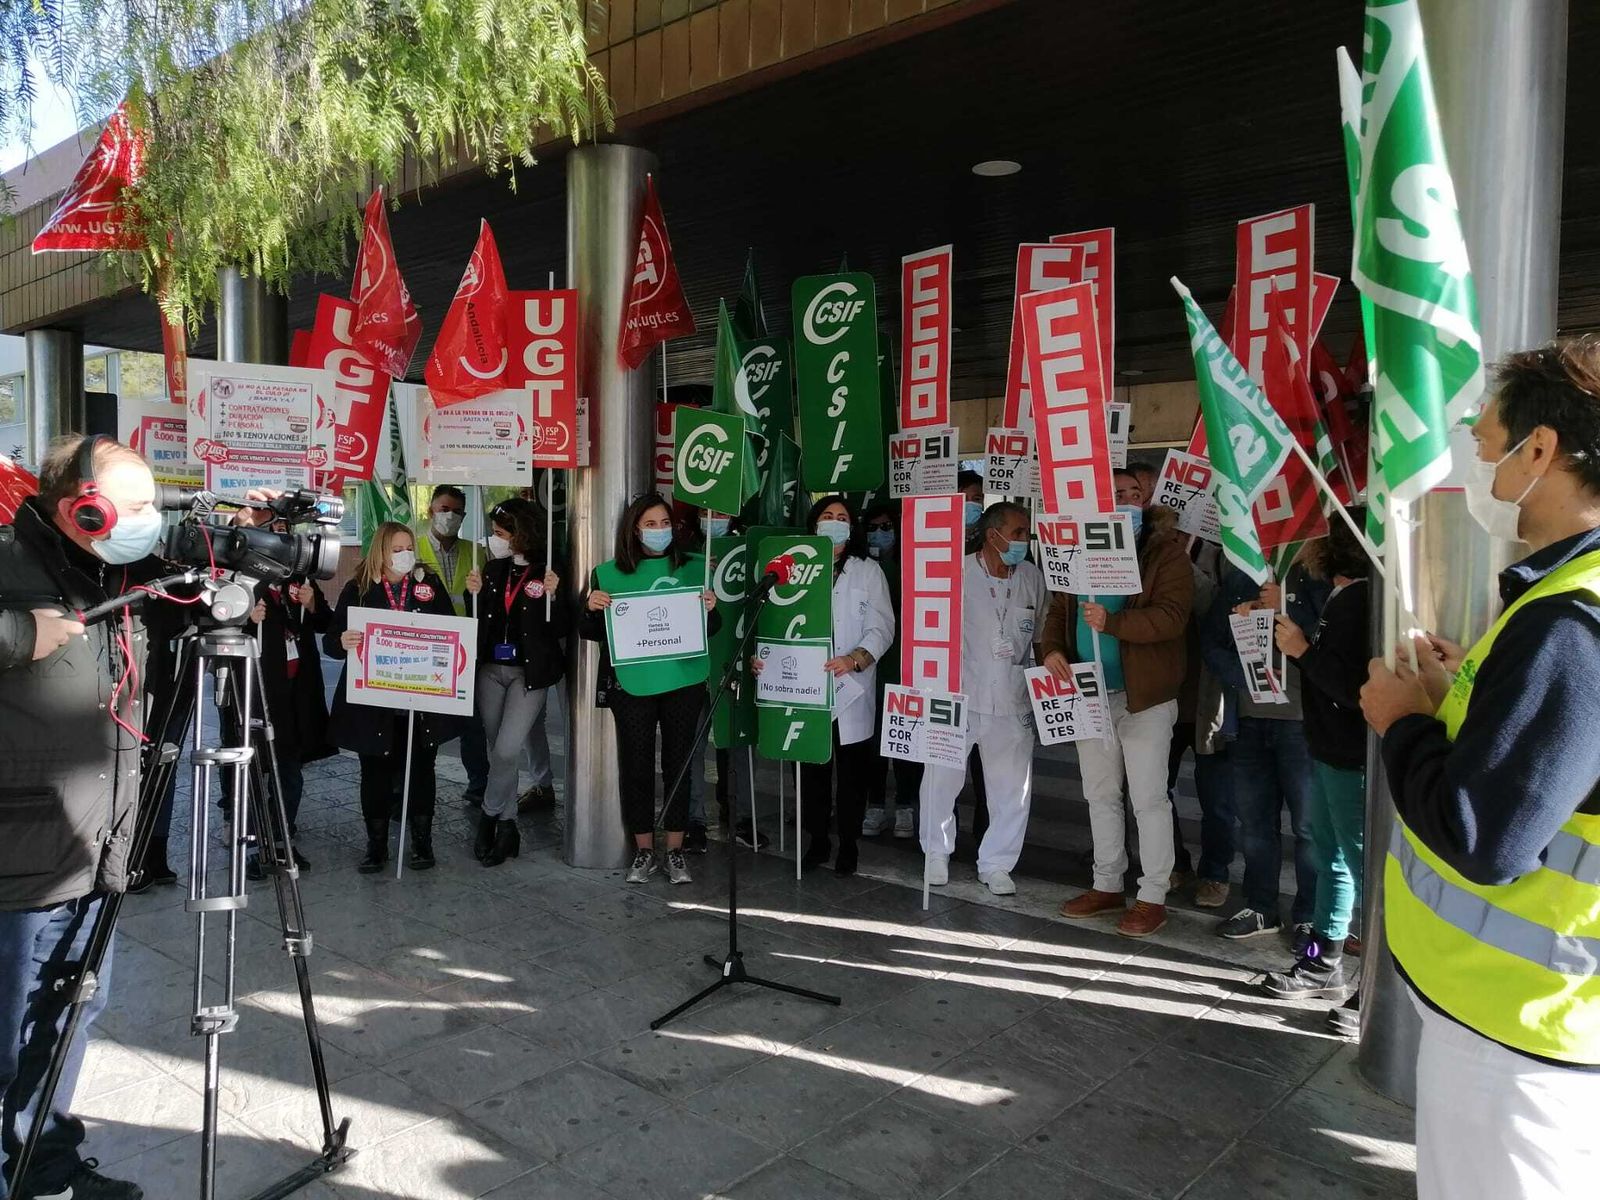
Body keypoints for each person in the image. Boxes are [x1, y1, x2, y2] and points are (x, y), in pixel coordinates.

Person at [1359, 341, 1600, 1200]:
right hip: (1525, 1019)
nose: (1482, 466)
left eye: (1491, 442)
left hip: (1520, 1035)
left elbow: (1484, 835)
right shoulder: (1560, 596)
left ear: (1543, 451)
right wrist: (1459, 691)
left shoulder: (1573, 620)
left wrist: (1400, 722)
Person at [0, 434, 163, 1200]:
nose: (148, 520)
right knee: (11, 1037)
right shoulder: (8, 564)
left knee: (70, 1016)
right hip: (19, 860)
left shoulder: (107, 566)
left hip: (95, 844)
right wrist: (17, 635)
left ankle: (47, 1173)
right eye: (135, 506)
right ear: (82, 508)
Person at [1049, 486, 1194, 936]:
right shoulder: (1073, 548)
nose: (1120, 505)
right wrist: (1052, 649)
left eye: (1130, 496)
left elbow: (1172, 616)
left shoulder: (1165, 554)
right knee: (1099, 793)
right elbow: (1058, 608)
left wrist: (1114, 624)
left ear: (1144, 505)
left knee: (1149, 798)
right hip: (1088, 694)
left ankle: (1152, 895)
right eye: (1110, 497)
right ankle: (1107, 883)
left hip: (1144, 697)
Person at [1259, 513, 1370, 1004]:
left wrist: (1301, 650)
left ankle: (1379, 987)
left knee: (1362, 866)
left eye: (1311, 542)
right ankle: (1323, 962)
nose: (1302, 552)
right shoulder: (1345, 598)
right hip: (1331, 751)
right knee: (1334, 858)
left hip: (1352, 754)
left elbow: (1355, 688)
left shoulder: (1364, 601)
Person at [579, 493, 717, 885]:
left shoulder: (694, 568)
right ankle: (643, 850)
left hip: (683, 682)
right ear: (634, 529)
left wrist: (710, 607)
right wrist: (590, 606)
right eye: (650, 524)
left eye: (665, 523)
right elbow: (588, 631)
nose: (659, 531)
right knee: (636, 766)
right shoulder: (607, 573)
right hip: (633, 684)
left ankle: (674, 850)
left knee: (679, 765)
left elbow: (713, 628)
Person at [758, 497, 893, 876]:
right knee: (808, 771)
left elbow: (882, 627)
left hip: (850, 685)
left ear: (853, 528)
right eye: (827, 517)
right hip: (802, 685)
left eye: (842, 518)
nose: (834, 523)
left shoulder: (868, 571)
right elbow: (775, 618)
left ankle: (849, 843)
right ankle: (817, 839)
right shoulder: (794, 567)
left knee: (852, 774)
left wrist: (855, 659)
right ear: (813, 524)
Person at [920, 501, 1047, 896]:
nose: (1024, 540)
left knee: (1012, 787)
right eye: (1019, 532)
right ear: (993, 535)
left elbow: (1041, 635)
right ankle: (936, 853)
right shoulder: (956, 571)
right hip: (957, 693)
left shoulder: (1031, 576)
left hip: (1013, 697)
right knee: (941, 777)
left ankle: (997, 862)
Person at [1202, 554, 1327, 947]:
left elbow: (1332, 636)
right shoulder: (1242, 576)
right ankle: (1260, 907)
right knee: (1254, 824)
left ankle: (1310, 916)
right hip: (1250, 718)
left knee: (1309, 827)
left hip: (1304, 722)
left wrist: (1285, 605)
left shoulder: (1317, 575)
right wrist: (1242, 676)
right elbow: (1211, 640)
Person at [324, 521, 457, 873]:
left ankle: (422, 844)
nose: (404, 555)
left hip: (421, 698)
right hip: (373, 703)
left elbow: (451, 628)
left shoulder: (427, 584)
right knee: (375, 771)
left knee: (421, 769)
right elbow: (332, 640)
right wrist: (343, 641)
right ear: (381, 552)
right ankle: (377, 845)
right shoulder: (360, 589)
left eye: (408, 547)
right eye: (396, 549)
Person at [464, 499, 565, 867]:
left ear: (523, 534)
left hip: (530, 674)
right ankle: (508, 827)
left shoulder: (548, 573)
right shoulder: (492, 570)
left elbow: (560, 628)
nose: (496, 539)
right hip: (490, 668)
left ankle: (488, 817)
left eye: (501, 533)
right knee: (495, 749)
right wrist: (471, 593)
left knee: (508, 749)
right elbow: (482, 619)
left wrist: (557, 595)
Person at [243, 560, 335, 881]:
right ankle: (255, 846)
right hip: (261, 693)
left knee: (290, 771)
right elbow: (219, 626)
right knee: (256, 772)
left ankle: (282, 837)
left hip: (298, 693)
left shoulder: (300, 580)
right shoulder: (244, 582)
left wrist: (311, 604)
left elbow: (326, 622)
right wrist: (246, 619)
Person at [416, 484, 488, 804]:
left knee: (472, 722)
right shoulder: (413, 551)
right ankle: (418, 787)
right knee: (426, 724)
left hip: (465, 650)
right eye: (444, 509)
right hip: (425, 649)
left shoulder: (477, 553)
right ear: (431, 509)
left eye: (457, 512)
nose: (450, 516)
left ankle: (478, 784)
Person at [859, 500, 922, 840]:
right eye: (873, 528)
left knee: (904, 736)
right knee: (871, 741)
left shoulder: (908, 566)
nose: (880, 533)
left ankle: (906, 805)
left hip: (901, 666)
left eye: (887, 527)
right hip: (868, 667)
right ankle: (873, 804)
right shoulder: (857, 567)